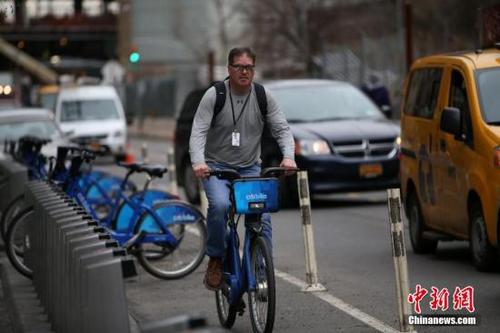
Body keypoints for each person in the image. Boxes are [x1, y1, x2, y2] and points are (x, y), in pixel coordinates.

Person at [189, 47, 296, 291]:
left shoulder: (263, 96)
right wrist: (198, 162)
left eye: (249, 67)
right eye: (239, 67)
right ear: (229, 69)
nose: (244, 71)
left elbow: (282, 129)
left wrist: (288, 157)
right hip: (215, 167)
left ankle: (260, 272)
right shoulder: (214, 95)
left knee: (262, 219)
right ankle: (216, 257)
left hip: (249, 168)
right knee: (220, 206)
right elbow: (198, 131)